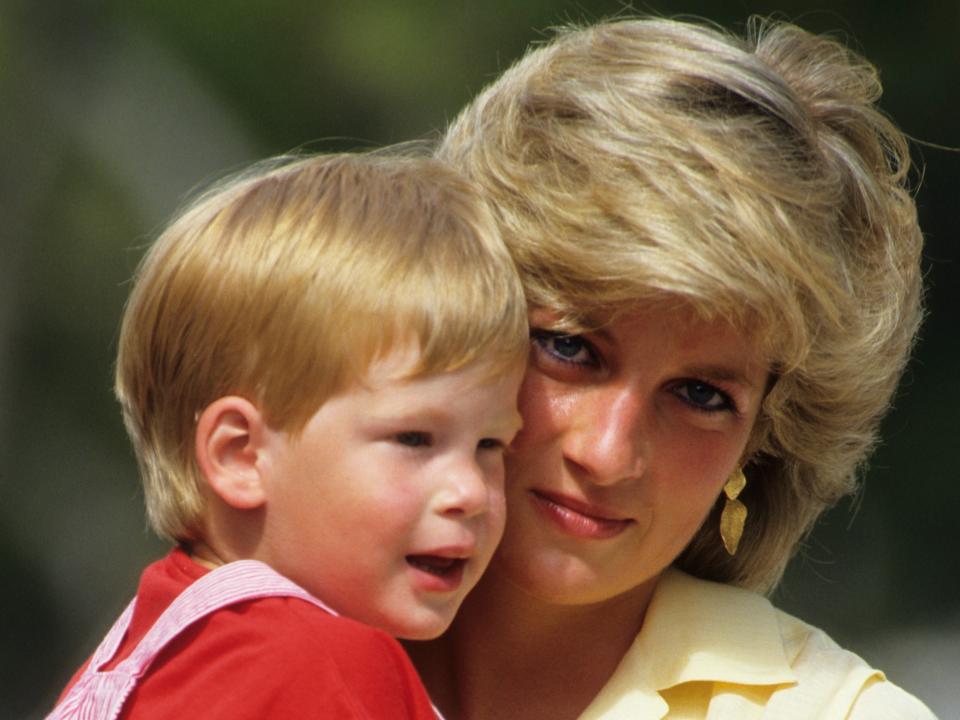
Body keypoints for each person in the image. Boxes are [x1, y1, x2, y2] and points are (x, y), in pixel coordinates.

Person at [405, 16, 938, 719]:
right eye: (569, 347)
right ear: (459, 304)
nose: (608, 453)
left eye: (699, 394)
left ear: (762, 444)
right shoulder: (235, 612)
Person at [46, 151, 528, 719]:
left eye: (490, 446)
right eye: (415, 439)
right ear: (240, 455)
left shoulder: (145, 654)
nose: (470, 491)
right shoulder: (321, 665)